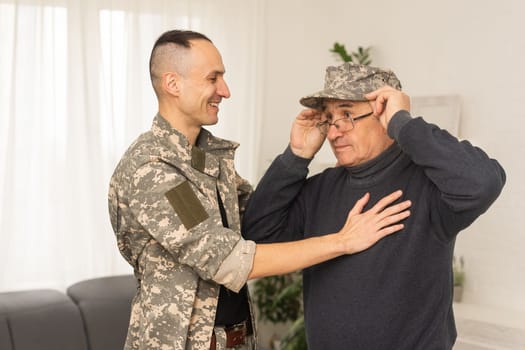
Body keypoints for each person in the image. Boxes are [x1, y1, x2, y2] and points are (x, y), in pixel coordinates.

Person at [108, 30, 412, 350]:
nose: (224, 91)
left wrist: (297, 156)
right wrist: (343, 241)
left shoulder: (204, 159)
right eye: (213, 78)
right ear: (173, 84)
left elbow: (261, 222)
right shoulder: (156, 168)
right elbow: (226, 259)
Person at [242, 62, 506, 349]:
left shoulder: (429, 187)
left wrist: (403, 122)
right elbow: (259, 234)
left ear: (382, 114)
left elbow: (483, 183)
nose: (333, 132)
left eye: (347, 115)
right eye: (329, 118)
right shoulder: (321, 188)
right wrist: (296, 156)